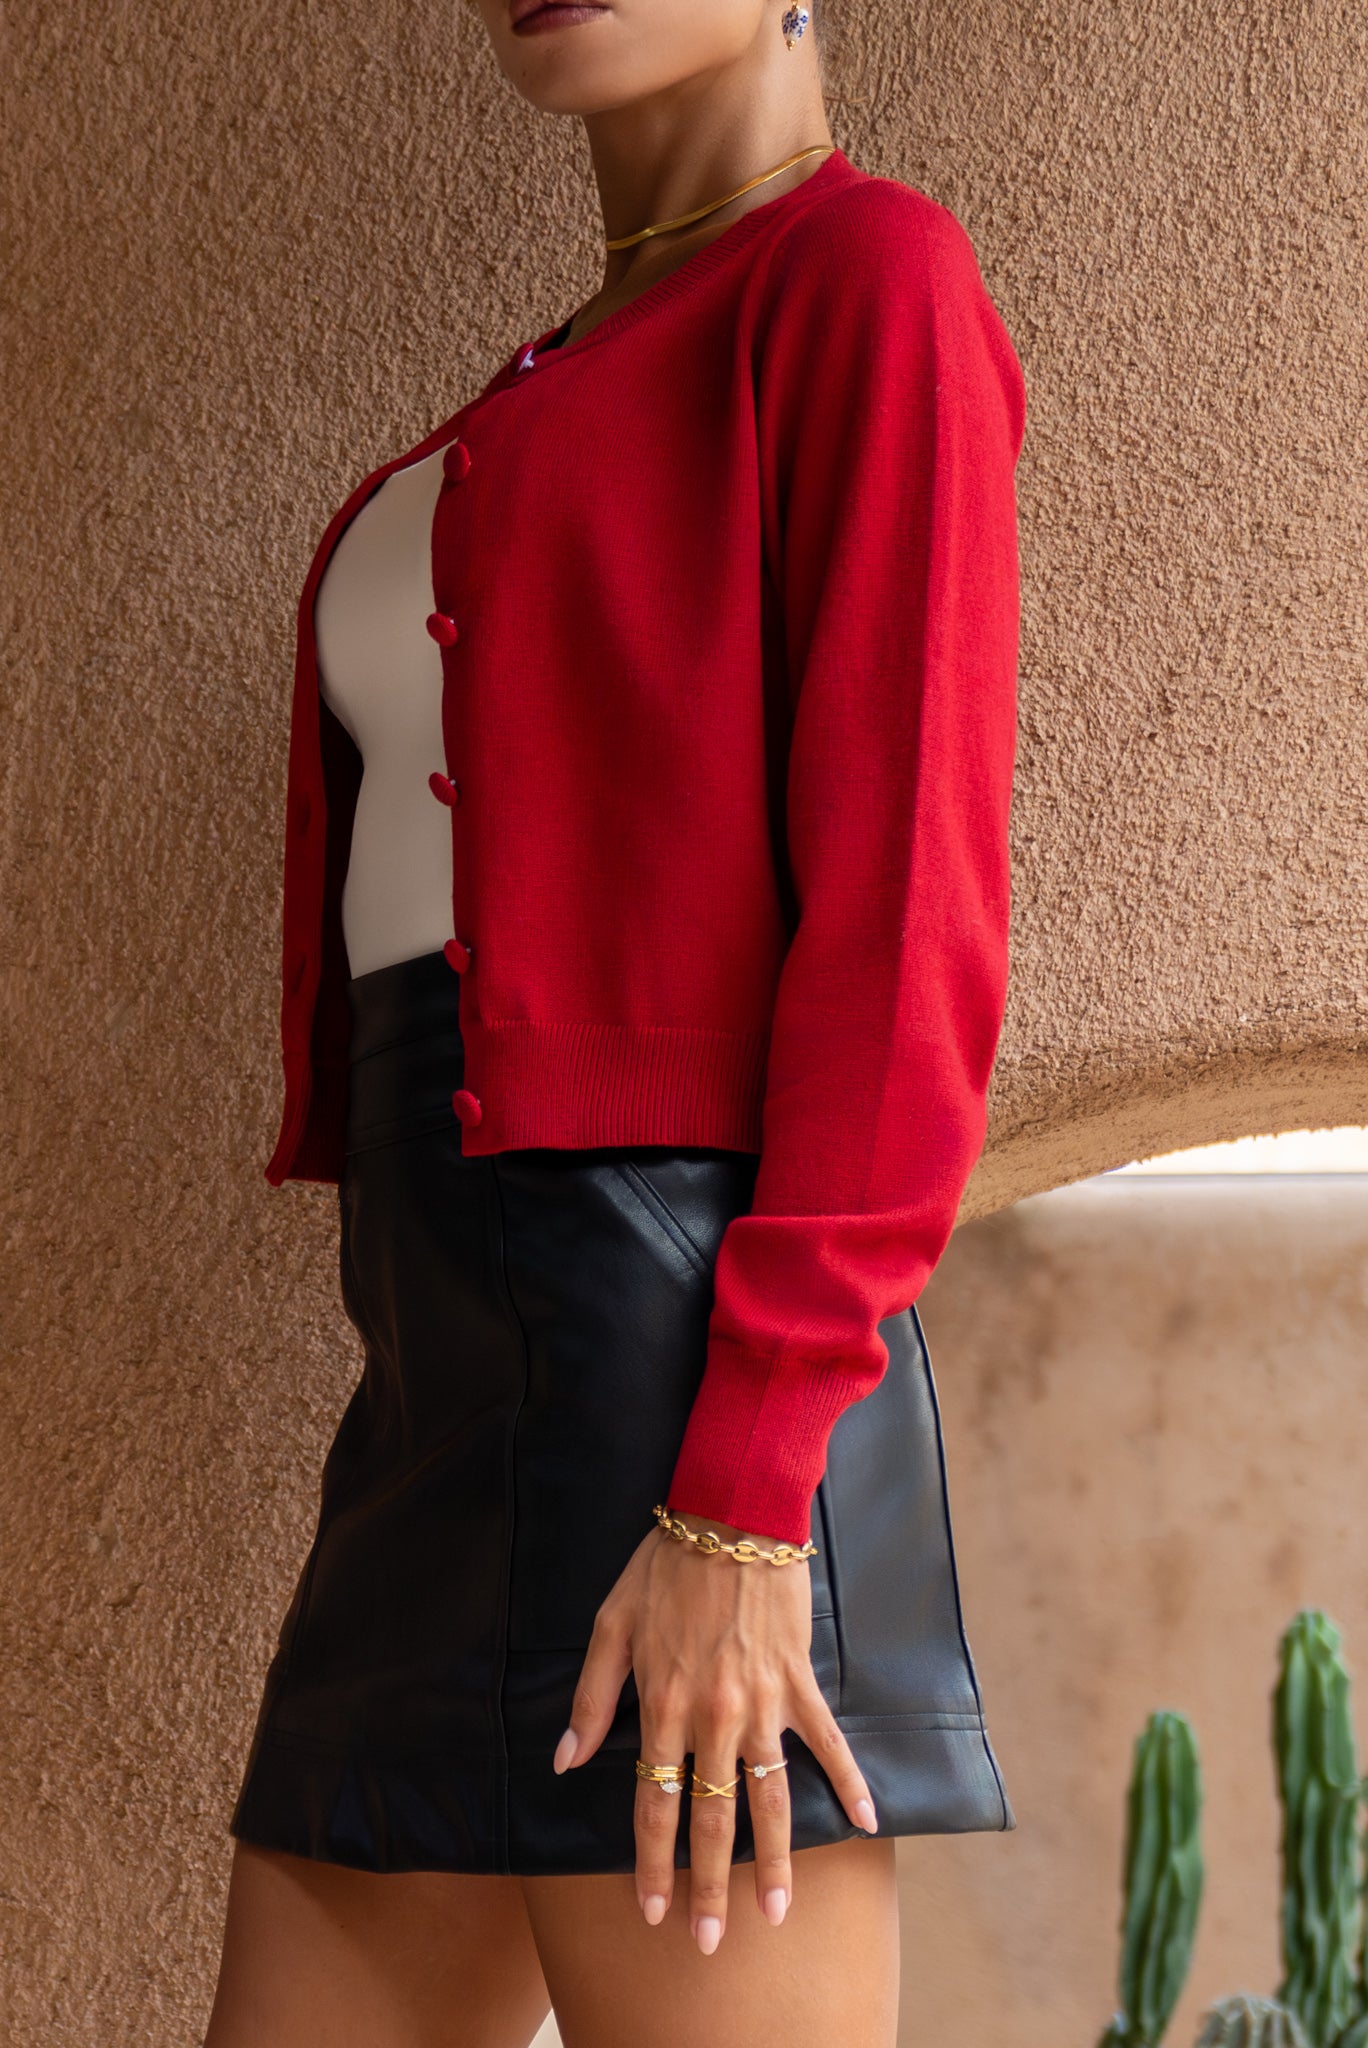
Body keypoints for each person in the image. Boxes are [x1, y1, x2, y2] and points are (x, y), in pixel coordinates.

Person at [205, 0, 1027, 2041]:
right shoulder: (552, 378)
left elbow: (904, 929)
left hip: (687, 1378)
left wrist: (744, 1495)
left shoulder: (867, 278)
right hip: (437, 1376)